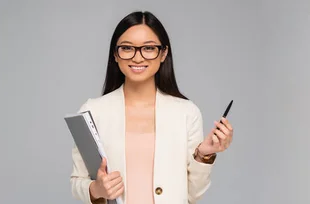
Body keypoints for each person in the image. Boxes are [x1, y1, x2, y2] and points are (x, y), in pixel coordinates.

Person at [69, 11, 234, 204]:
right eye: (127, 48)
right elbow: (77, 182)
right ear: (115, 54)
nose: (137, 58)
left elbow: (193, 196)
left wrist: (204, 155)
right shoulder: (93, 111)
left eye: (148, 48)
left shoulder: (187, 113)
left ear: (163, 53)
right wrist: (97, 189)